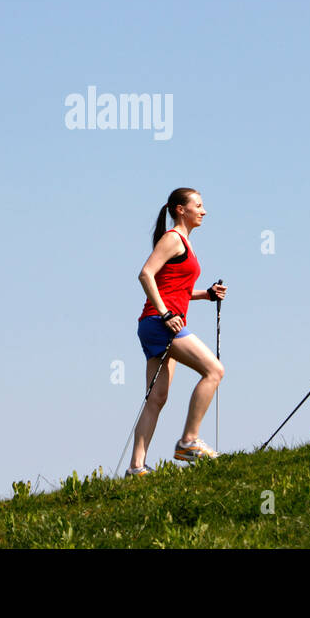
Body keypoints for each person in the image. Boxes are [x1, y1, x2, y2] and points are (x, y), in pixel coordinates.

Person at [126, 187, 227, 475]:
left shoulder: (186, 243)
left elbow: (175, 287)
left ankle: (136, 468)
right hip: (161, 323)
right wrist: (166, 313)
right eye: (198, 205)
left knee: (156, 397)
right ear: (180, 209)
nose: (203, 211)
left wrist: (206, 294)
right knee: (214, 370)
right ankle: (189, 441)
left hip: (154, 323)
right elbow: (146, 274)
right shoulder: (173, 239)